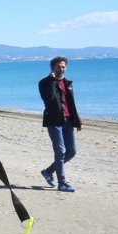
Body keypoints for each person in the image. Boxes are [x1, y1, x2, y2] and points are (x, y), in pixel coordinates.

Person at [38, 56, 82, 192]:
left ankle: (48, 171)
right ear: (53, 68)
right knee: (60, 151)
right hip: (54, 121)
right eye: (59, 67)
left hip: (68, 121)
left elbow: (71, 104)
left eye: (63, 66)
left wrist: (77, 121)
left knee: (71, 151)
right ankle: (62, 182)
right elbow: (49, 99)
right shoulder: (44, 83)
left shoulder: (68, 83)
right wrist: (52, 80)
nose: (61, 69)